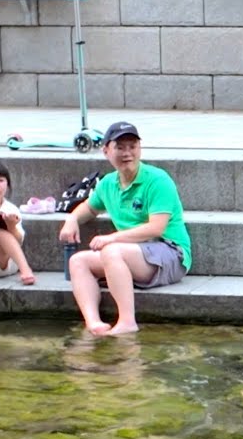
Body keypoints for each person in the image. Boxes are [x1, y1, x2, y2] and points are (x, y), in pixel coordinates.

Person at [58, 121, 192, 336]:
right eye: (120, 147)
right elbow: (90, 208)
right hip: (131, 254)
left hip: (169, 253)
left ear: (140, 148)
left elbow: (156, 228)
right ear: (106, 151)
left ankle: (127, 321)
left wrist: (113, 238)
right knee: (78, 261)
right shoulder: (108, 183)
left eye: (132, 146)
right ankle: (93, 322)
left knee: (111, 250)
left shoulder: (157, 180)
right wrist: (72, 220)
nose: (127, 153)